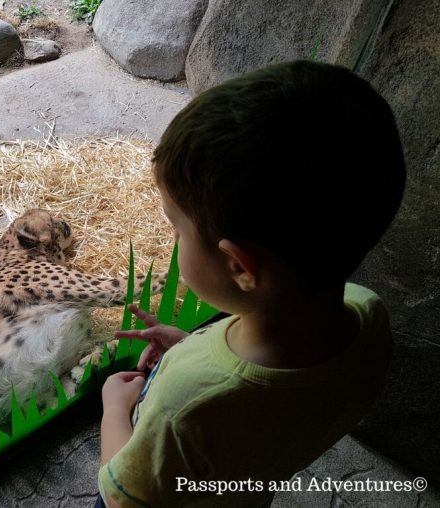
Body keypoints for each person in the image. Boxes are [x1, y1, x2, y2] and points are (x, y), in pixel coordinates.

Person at [97, 60, 406, 507]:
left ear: (240, 266)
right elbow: (267, 398)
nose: (174, 239)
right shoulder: (367, 314)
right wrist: (190, 347)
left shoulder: (182, 402)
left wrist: (114, 409)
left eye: (176, 229)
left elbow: (124, 497)